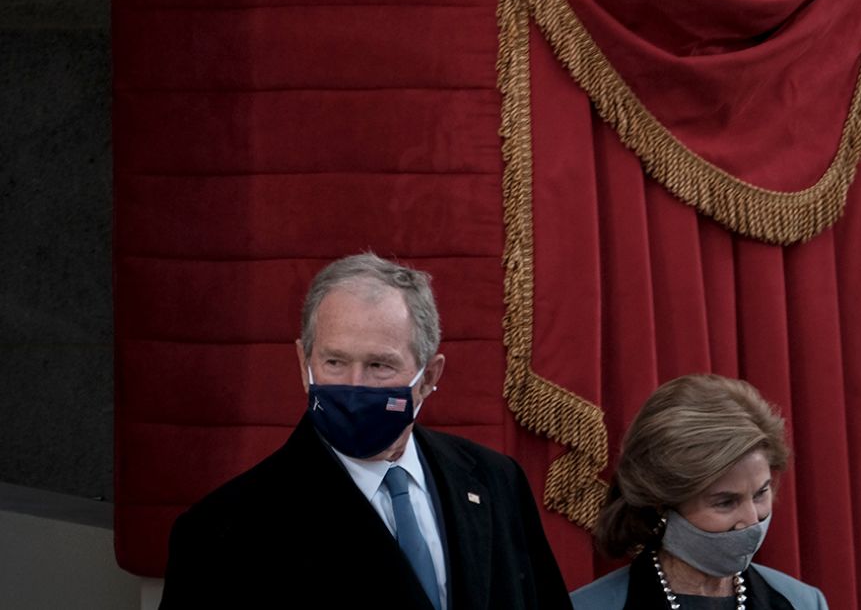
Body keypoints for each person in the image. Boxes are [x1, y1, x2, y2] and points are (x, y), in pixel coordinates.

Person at [160, 251, 570, 609]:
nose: (354, 386)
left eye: (379, 366)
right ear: (304, 362)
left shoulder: (496, 482)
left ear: (429, 377)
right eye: (335, 362)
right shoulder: (223, 532)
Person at [571, 374, 828, 610]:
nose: (752, 521)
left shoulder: (803, 602)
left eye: (760, 493)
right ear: (662, 502)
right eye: (726, 502)